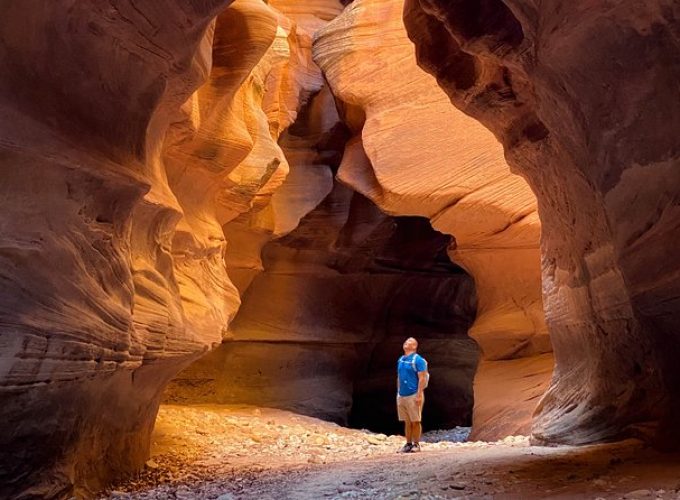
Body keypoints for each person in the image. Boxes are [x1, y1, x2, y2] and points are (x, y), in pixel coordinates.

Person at [396, 337, 428, 453]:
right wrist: (398, 392)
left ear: (414, 346)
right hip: (402, 395)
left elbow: (422, 378)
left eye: (408, 342)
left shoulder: (418, 360)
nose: (405, 343)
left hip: (413, 394)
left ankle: (416, 444)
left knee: (416, 421)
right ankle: (408, 444)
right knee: (407, 421)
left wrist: (419, 395)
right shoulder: (401, 359)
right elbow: (399, 376)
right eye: (405, 342)